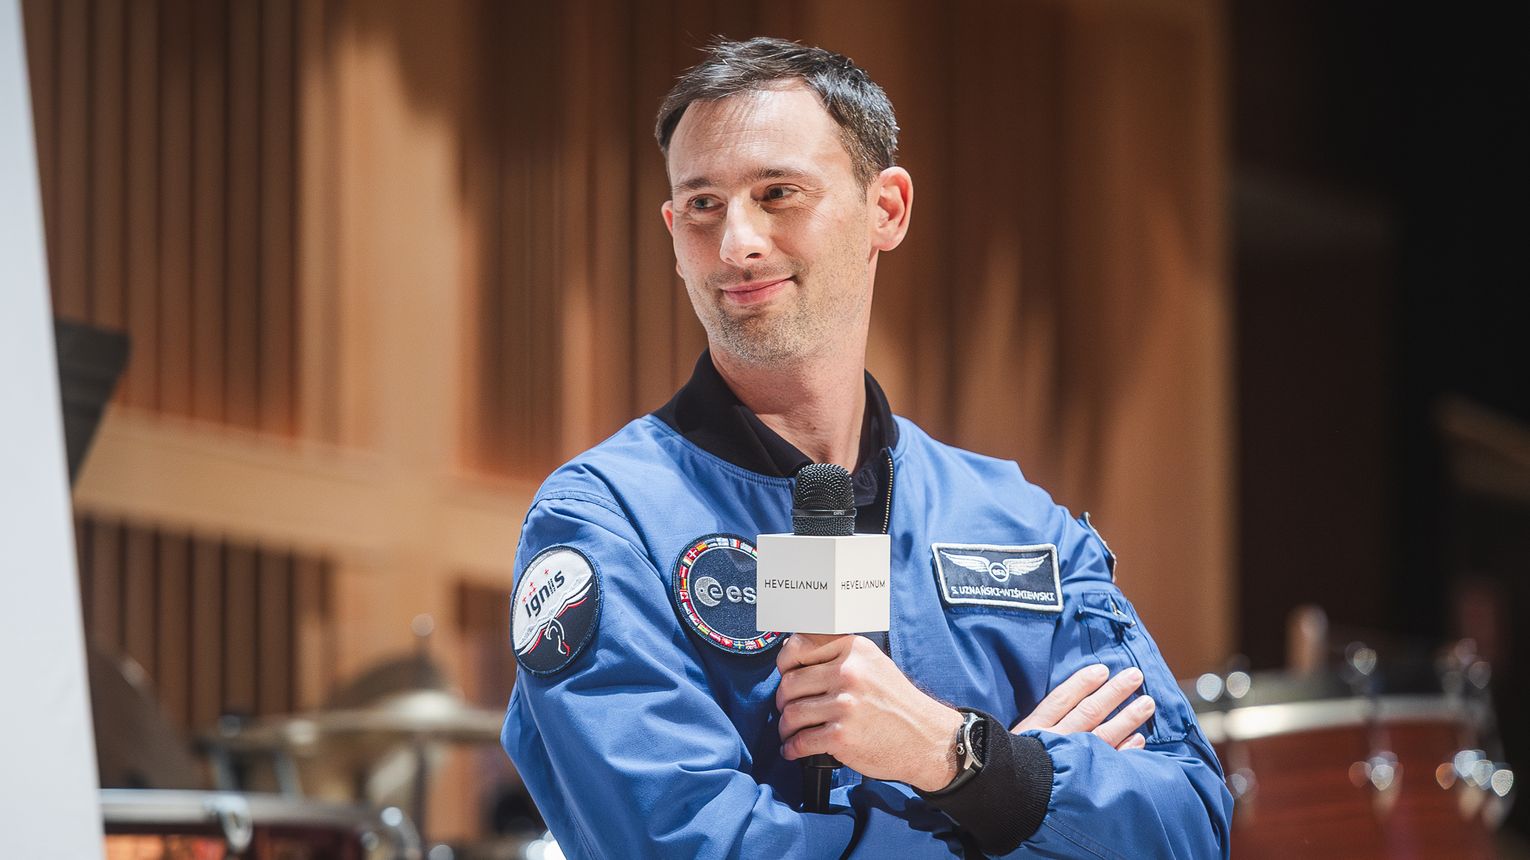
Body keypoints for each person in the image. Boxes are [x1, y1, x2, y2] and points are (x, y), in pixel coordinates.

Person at [501, 36, 1233, 859]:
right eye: (702, 204)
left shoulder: (1021, 524)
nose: (737, 242)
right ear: (673, 233)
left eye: (777, 193)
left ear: (887, 209)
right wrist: (1017, 805)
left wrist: (953, 754)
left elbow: (1190, 825)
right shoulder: (607, 525)